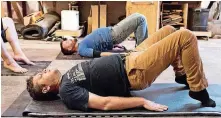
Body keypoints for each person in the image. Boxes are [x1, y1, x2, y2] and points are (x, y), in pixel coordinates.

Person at [26, 25, 216, 112]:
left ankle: (181, 74)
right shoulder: (67, 92)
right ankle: (198, 89)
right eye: (41, 75)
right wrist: (141, 101)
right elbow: (104, 103)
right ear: (45, 88)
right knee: (186, 36)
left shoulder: (67, 77)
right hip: (134, 71)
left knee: (169, 30)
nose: (45, 70)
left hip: (130, 57)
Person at [60, 13, 148, 58]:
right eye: (65, 42)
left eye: (65, 39)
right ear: (69, 49)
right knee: (140, 19)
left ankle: (142, 48)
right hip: (114, 35)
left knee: (138, 16)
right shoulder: (82, 50)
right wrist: (119, 55)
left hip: (112, 31)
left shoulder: (81, 43)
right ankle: (141, 51)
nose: (67, 40)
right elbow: (99, 54)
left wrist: (114, 47)